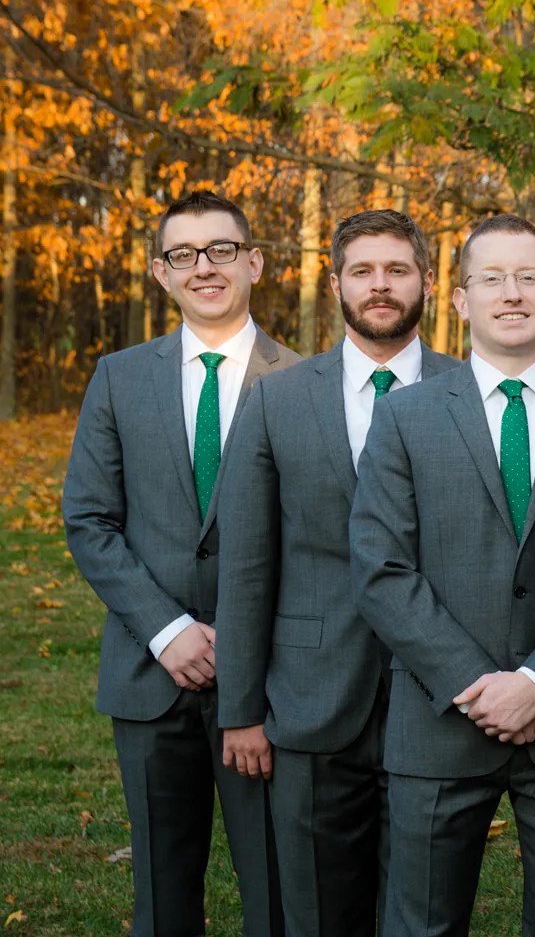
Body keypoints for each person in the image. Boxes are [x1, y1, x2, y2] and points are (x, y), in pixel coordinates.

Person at [349, 214, 535, 936]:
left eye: (528, 278)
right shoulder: (403, 417)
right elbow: (382, 569)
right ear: (461, 300)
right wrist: (480, 687)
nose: (511, 293)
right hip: (440, 723)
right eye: (492, 278)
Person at [214, 209, 460, 935]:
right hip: (309, 696)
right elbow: (247, 563)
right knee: (318, 912)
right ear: (335, 285)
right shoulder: (277, 399)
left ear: (427, 281)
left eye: (397, 269)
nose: (380, 285)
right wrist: (240, 709)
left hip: (436, 697)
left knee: (423, 912)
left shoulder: (470, 389)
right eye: (363, 271)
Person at [62, 189, 298, 936]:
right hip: (149, 674)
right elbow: (90, 519)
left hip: (271, 684)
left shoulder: (304, 381)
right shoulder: (118, 376)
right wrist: (168, 630)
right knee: (162, 899)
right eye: (184, 254)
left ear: (254, 262)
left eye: (222, 249)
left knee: (279, 892)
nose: (205, 267)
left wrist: (244, 643)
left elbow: (318, 538)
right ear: (161, 273)